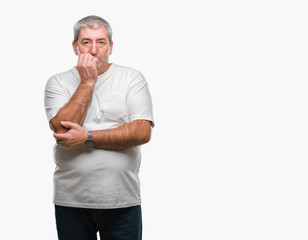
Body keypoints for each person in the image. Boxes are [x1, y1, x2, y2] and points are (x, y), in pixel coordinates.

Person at [44, 15, 154, 240]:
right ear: (75, 47)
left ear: (111, 46)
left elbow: (142, 131)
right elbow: (63, 132)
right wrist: (88, 82)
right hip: (71, 199)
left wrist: (88, 137)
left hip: (122, 199)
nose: (94, 50)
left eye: (101, 42)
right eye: (86, 42)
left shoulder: (131, 78)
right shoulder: (58, 82)